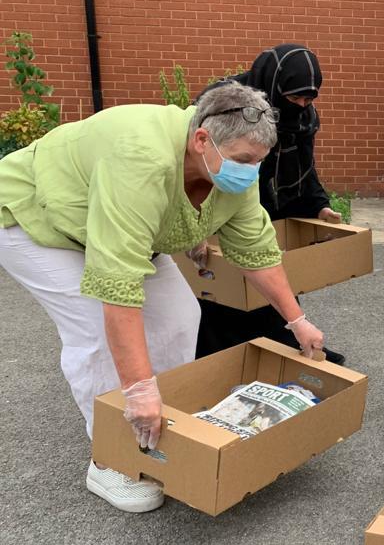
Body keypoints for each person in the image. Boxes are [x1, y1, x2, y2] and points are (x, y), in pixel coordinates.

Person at [0, 81, 328, 512]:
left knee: (179, 317)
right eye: (244, 161)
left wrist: (296, 320)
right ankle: (110, 456)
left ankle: (161, 426)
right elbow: (118, 289)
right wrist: (137, 388)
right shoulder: (140, 162)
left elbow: (257, 253)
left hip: (126, 234)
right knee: (94, 329)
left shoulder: (233, 171)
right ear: (201, 140)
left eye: (258, 162)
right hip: (39, 222)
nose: (251, 171)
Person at [193, 44, 346, 364]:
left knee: (273, 277)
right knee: (225, 289)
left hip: (275, 201)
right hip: (224, 196)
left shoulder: (304, 116)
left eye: (308, 99)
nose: (301, 106)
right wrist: (196, 225)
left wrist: (319, 205)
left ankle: (283, 342)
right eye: (294, 99)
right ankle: (223, 360)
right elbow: (197, 159)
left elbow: (305, 163)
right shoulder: (229, 103)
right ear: (274, 84)